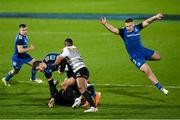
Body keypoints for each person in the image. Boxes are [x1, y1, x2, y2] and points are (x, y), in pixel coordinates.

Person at [100, 13, 168, 95]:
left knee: (158, 56)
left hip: (143, 51)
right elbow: (114, 30)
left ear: (133, 24)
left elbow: (148, 22)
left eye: (129, 26)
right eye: (126, 26)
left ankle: (143, 61)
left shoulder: (138, 27)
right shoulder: (123, 32)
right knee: (147, 71)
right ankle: (161, 88)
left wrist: (156, 17)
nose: (127, 28)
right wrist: (105, 24)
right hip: (135, 57)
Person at [33, 53, 101, 109]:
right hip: (68, 71)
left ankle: (89, 96)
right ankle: (91, 95)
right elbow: (51, 84)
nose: (39, 71)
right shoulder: (46, 72)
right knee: (73, 84)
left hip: (71, 66)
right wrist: (53, 97)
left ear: (41, 63)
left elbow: (63, 59)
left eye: (38, 69)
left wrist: (61, 70)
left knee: (76, 82)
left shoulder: (49, 58)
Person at [54, 38, 98, 112]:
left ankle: (93, 107)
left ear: (65, 44)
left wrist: (55, 64)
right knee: (64, 85)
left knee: (82, 89)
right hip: (81, 70)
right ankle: (77, 98)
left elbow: (59, 58)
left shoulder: (66, 49)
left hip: (80, 70)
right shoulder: (75, 48)